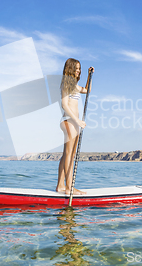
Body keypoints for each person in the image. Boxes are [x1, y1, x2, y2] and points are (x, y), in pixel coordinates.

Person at [56, 58, 94, 195]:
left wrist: (89, 76)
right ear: (70, 69)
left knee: (68, 155)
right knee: (69, 155)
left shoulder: (75, 86)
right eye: (76, 68)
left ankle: (60, 185)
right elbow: (64, 105)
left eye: (80, 69)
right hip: (69, 121)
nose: (79, 71)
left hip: (74, 123)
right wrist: (77, 121)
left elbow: (87, 90)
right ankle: (69, 187)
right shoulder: (66, 84)